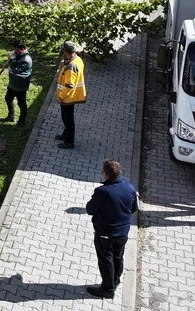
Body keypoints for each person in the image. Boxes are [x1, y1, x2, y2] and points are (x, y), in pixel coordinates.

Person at [85, 159, 138, 299]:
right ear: (119, 172)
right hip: (123, 233)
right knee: (118, 257)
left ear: (106, 175)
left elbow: (90, 209)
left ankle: (108, 289)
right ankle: (115, 281)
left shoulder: (102, 192)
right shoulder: (130, 187)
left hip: (105, 234)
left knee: (106, 260)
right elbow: (133, 209)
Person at [56, 41, 86, 149]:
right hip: (72, 96)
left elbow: (69, 85)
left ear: (66, 51)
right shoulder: (77, 60)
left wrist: (60, 97)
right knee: (66, 118)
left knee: (68, 120)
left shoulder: (71, 66)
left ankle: (69, 142)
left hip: (68, 97)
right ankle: (65, 134)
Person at [3, 41, 33, 125]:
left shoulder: (26, 60)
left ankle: (21, 121)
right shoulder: (18, 55)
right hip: (13, 83)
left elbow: (15, 70)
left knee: (21, 103)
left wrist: (12, 58)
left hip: (20, 85)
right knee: (8, 98)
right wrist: (12, 57)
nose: (15, 51)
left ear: (23, 49)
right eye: (14, 50)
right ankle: (11, 116)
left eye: (16, 50)